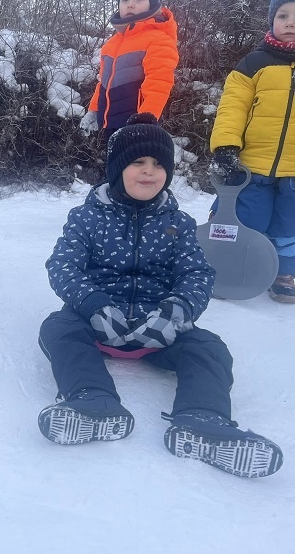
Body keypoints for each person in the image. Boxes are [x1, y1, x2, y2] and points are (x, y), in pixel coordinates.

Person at [38, 113, 283, 478]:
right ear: (117, 169)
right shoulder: (87, 218)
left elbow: (197, 274)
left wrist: (175, 313)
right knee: (58, 328)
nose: (149, 171)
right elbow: (63, 265)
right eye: (138, 161)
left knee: (208, 348)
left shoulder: (178, 224)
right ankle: (92, 399)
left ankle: (202, 419)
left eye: (158, 164)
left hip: (159, 328)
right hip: (97, 321)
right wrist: (94, 306)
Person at [208, 0, 295, 303]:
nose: (290, 23)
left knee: (289, 225)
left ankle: (283, 273)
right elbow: (233, 108)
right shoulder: (253, 64)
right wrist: (226, 147)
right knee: (247, 219)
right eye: (283, 15)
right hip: (253, 166)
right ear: (272, 20)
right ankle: (224, 262)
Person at [79, 0, 179, 140]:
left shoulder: (158, 38)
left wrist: (145, 120)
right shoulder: (112, 44)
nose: (130, 4)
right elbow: (103, 82)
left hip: (137, 126)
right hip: (110, 124)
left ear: (152, 3)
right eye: (125, 0)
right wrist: (93, 110)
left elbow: (159, 83)